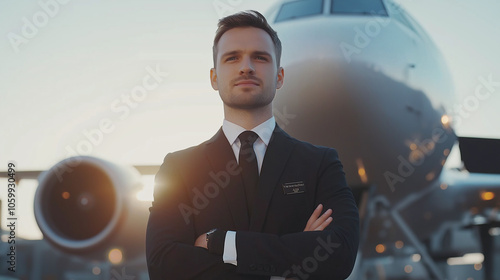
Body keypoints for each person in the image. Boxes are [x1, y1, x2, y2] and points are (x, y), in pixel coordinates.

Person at [146, 10, 359, 280]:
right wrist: (292, 258)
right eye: (232, 57)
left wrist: (222, 243)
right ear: (213, 78)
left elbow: (339, 254)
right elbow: (163, 265)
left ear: (280, 76)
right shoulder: (178, 167)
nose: (246, 67)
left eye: (260, 57)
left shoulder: (321, 163)